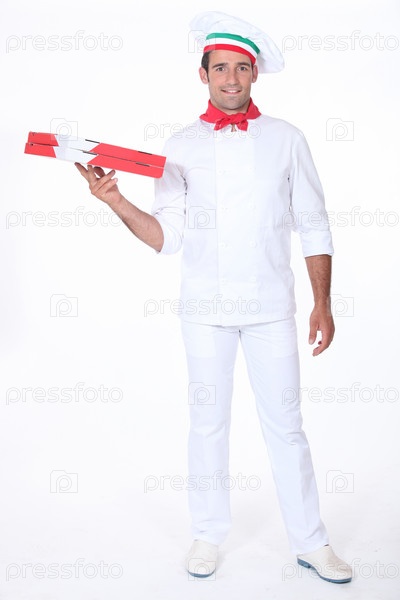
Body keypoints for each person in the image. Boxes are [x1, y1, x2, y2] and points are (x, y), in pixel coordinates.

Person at [75, 10, 353, 585]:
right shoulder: (179, 147)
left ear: (255, 75)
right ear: (203, 75)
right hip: (203, 311)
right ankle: (207, 533)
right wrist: (116, 201)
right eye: (220, 68)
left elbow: (314, 223)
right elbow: (167, 237)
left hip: (272, 309)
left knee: (287, 425)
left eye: (241, 68)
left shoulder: (287, 139)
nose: (231, 78)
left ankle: (311, 541)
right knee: (207, 423)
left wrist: (322, 303)